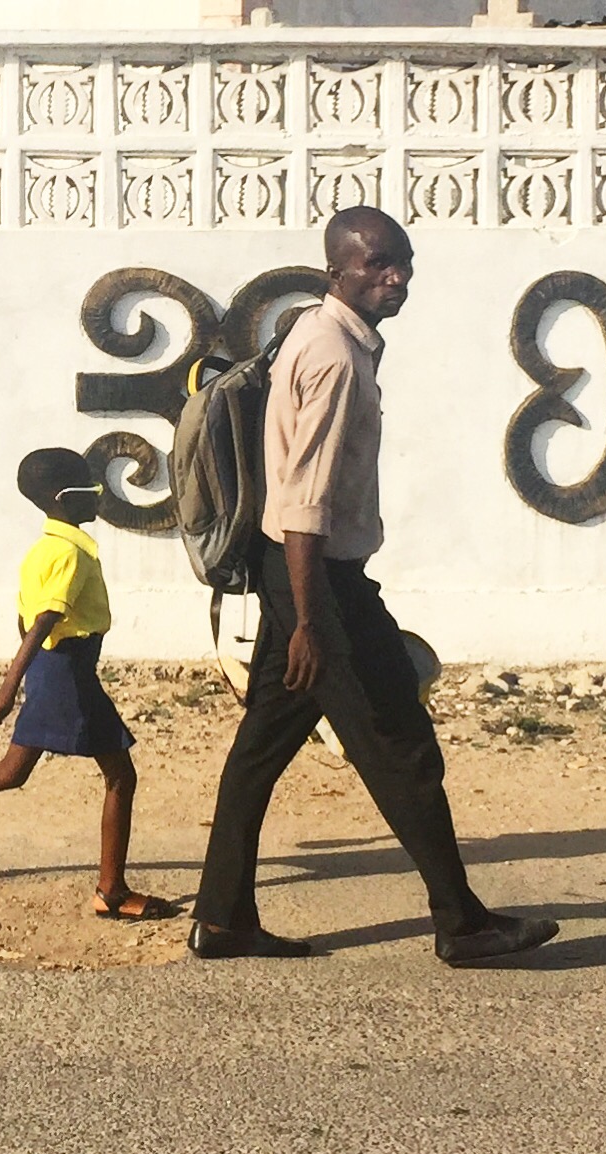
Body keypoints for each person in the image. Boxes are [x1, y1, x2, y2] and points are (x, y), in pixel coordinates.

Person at [189, 206, 559, 967]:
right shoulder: (330, 356)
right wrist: (310, 619)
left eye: (403, 263)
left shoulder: (318, 334)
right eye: (378, 264)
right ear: (338, 271)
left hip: (298, 572)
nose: (396, 278)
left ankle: (222, 917)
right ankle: (461, 923)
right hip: (316, 578)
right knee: (402, 747)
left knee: (260, 746)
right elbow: (302, 498)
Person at [0, 447, 177, 922]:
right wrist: (7, 690)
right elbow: (42, 622)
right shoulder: (69, 555)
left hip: (54, 670)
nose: (99, 497)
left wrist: (31, 677)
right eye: (92, 490)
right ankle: (112, 892)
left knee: (11, 771)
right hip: (68, 673)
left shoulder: (44, 550)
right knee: (121, 776)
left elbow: (24, 620)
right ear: (65, 498)